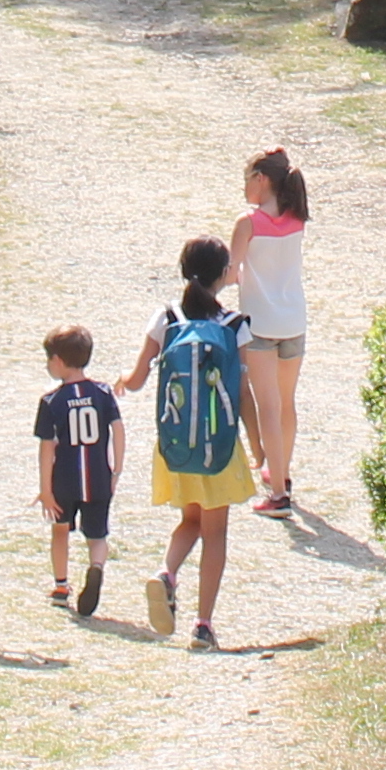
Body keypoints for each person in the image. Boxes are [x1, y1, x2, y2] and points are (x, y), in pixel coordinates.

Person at [116, 231, 259, 647]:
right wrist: (258, 446)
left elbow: (139, 379)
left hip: (176, 447)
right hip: (219, 445)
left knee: (189, 521)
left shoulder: (167, 320)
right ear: (223, 276)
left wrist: (124, 379)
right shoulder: (234, 326)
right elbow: (242, 394)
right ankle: (203, 624)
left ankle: (167, 572)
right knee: (215, 531)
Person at [229, 145, 314, 515]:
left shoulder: (247, 223)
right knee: (286, 403)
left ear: (261, 180)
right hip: (293, 320)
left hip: (260, 322)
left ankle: (278, 493)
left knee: (267, 405)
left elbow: (231, 273)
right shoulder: (297, 219)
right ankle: (281, 472)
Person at [30, 327, 123, 620]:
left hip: (64, 479)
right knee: (97, 535)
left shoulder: (51, 401)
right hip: (98, 476)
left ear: (57, 360)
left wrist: (45, 489)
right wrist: (116, 469)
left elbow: (47, 449)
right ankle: (95, 567)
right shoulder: (104, 393)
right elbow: (118, 431)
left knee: (60, 531)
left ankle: (60, 586)